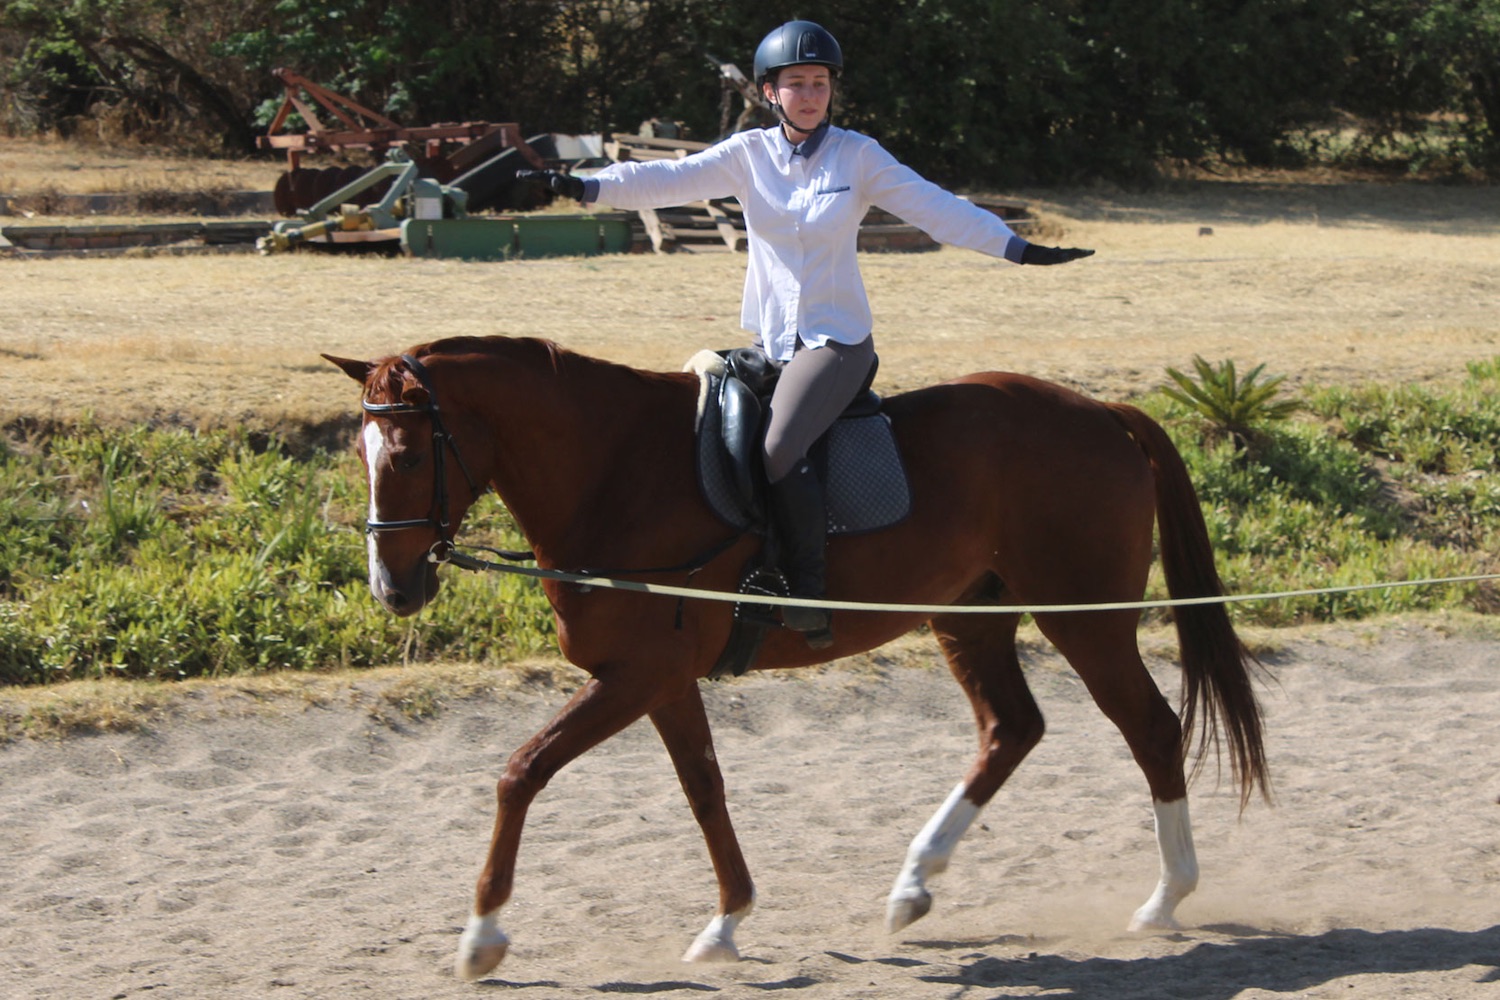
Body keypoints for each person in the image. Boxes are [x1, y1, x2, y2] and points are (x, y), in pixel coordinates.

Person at [518, 19, 1093, 643]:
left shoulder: (859, 156)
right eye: (797, 84)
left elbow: (936, 207)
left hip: (836, 345)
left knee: (778, 446)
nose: (812, 94)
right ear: (770, 92)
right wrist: (581, 184)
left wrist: (1016, 249)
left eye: (821, 83)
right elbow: (664, 180)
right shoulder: (748, 156)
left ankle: (807, 591)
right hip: (772, 346)